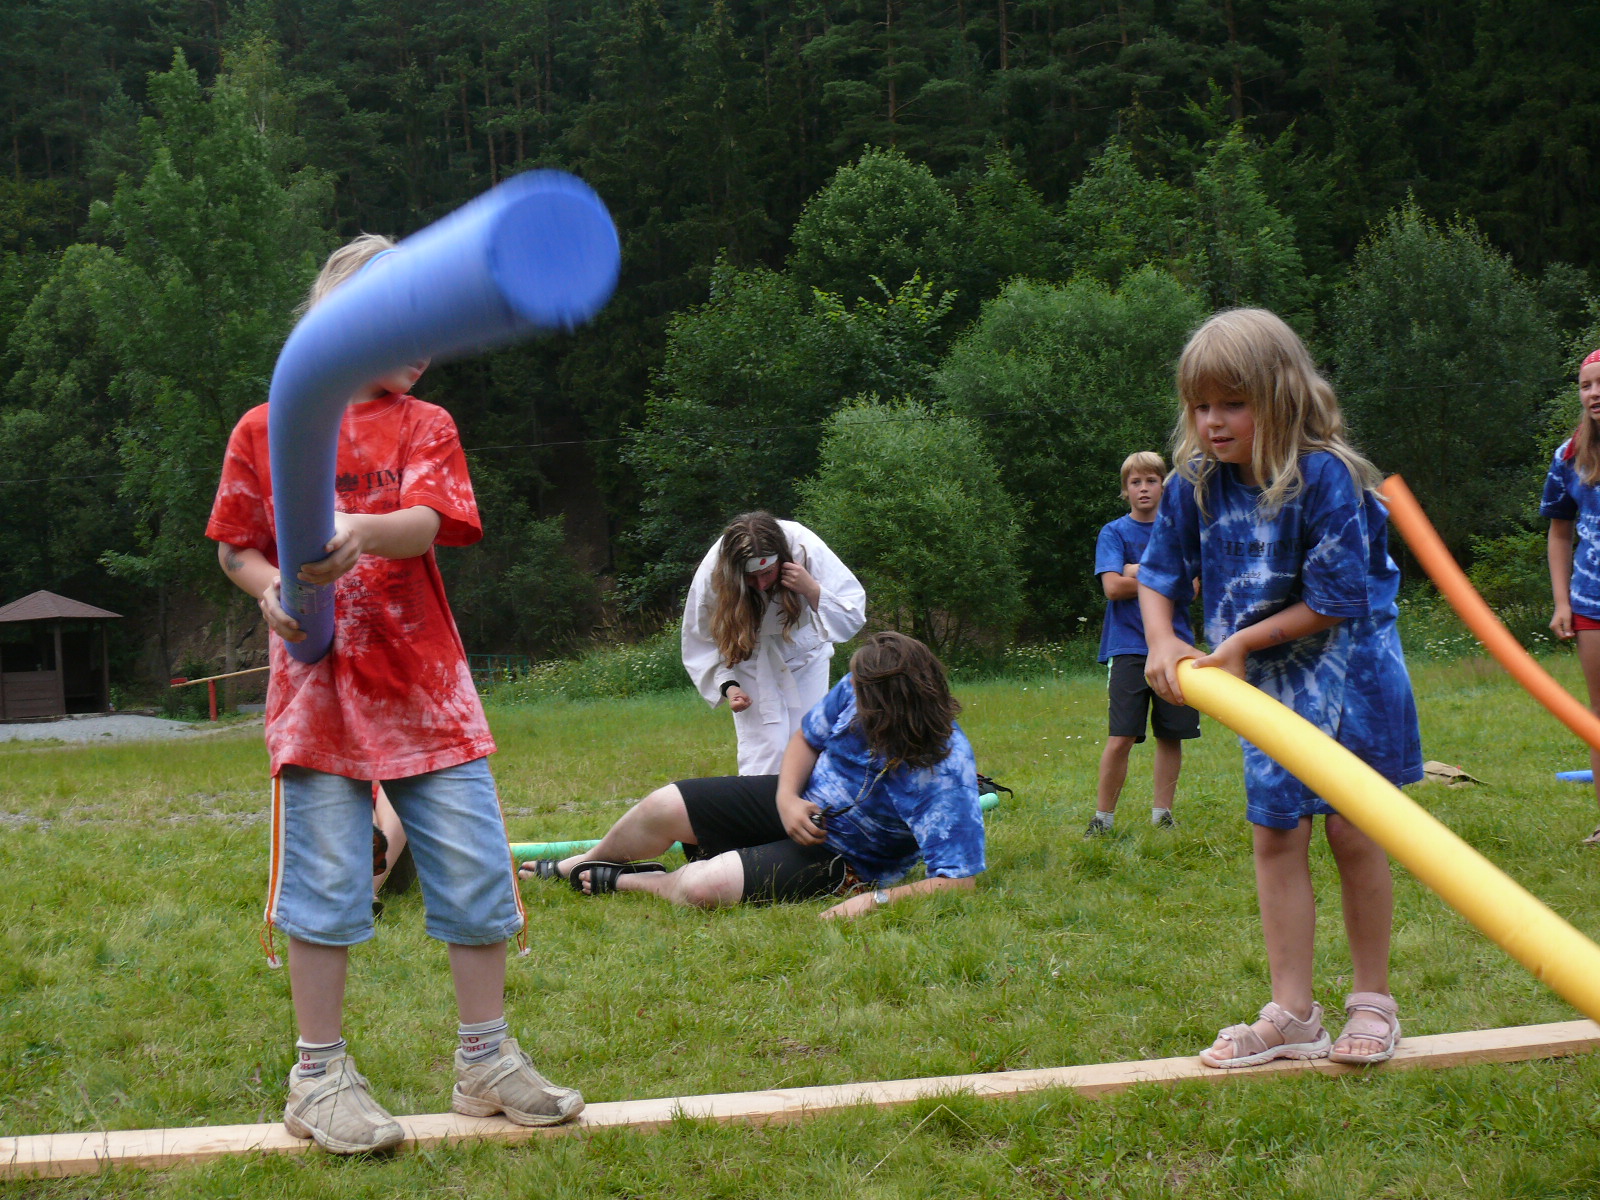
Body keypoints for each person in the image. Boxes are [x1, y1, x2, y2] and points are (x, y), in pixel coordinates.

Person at [207, 234, 583, 1156]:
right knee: (326, 886)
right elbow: (235, 545)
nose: (425, 345)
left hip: (426, 694)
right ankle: (318, 1077)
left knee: (478, 873)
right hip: (318, 699)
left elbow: (425, 524)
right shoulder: (266, 426)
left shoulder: (425, 423)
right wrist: (267, 587)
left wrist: (361, 532)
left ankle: (484, 1061)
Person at [1138, 308, 1421, 1069]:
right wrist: (1162, 638)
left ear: (1283, 397)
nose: (1212, 422)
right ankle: (1294, 1014)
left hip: (1352, 671)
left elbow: (1336, 598)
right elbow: (1159, 574)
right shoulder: (1195, 484)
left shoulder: (1328, 477)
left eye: (1233, 404)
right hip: (1267, 684)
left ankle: (1373, 1002)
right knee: (1276, 832)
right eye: (1200, 405)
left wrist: (1234, 644)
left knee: (1353, 829)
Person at [522, 632, 984, 917]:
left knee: (703, 885)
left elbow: (958, 881)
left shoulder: (945, 772)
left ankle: (634, 879)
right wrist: (787, 799)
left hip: (849, 859)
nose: (854, 701)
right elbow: (807, 739)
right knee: (664, 804)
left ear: (898, 707)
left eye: (867, 702)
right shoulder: (860, 683)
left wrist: (875, 900)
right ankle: (581, 862)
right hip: (798, 802)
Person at [681, 512, 867, 775]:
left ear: (782, 558)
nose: (761, 584)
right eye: (751, 577)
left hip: (806, 654)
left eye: (767, 572)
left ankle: (802, 801)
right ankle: (761, 802)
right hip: (750, 656)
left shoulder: (804, 546)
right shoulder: (715, 570)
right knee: (766, 750)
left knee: (808, 741)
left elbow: (852, 613)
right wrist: (728, 684)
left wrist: (811, 589)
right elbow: (702, 637)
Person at [1086, 451, 1200, 836]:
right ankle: (1102, 820)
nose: (1144, 488)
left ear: (1163, 487)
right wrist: (1162, 576)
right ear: (1126, 490)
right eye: (1135, 482)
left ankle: (1162, 815)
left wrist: (1137, 570)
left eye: (1151, 480)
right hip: (1128, 648)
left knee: (1172, 734)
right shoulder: (1114, 533)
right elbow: (1112, 587)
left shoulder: (1180, 532)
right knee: (1121, 737)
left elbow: (1191, 589)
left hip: (1176, 647)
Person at [1542, 347, 1600, 845]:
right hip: (1591, 603)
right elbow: (1560, 533)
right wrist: (1563, 602)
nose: (1594, 393)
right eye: (1586, 385)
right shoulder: (1570, 455)